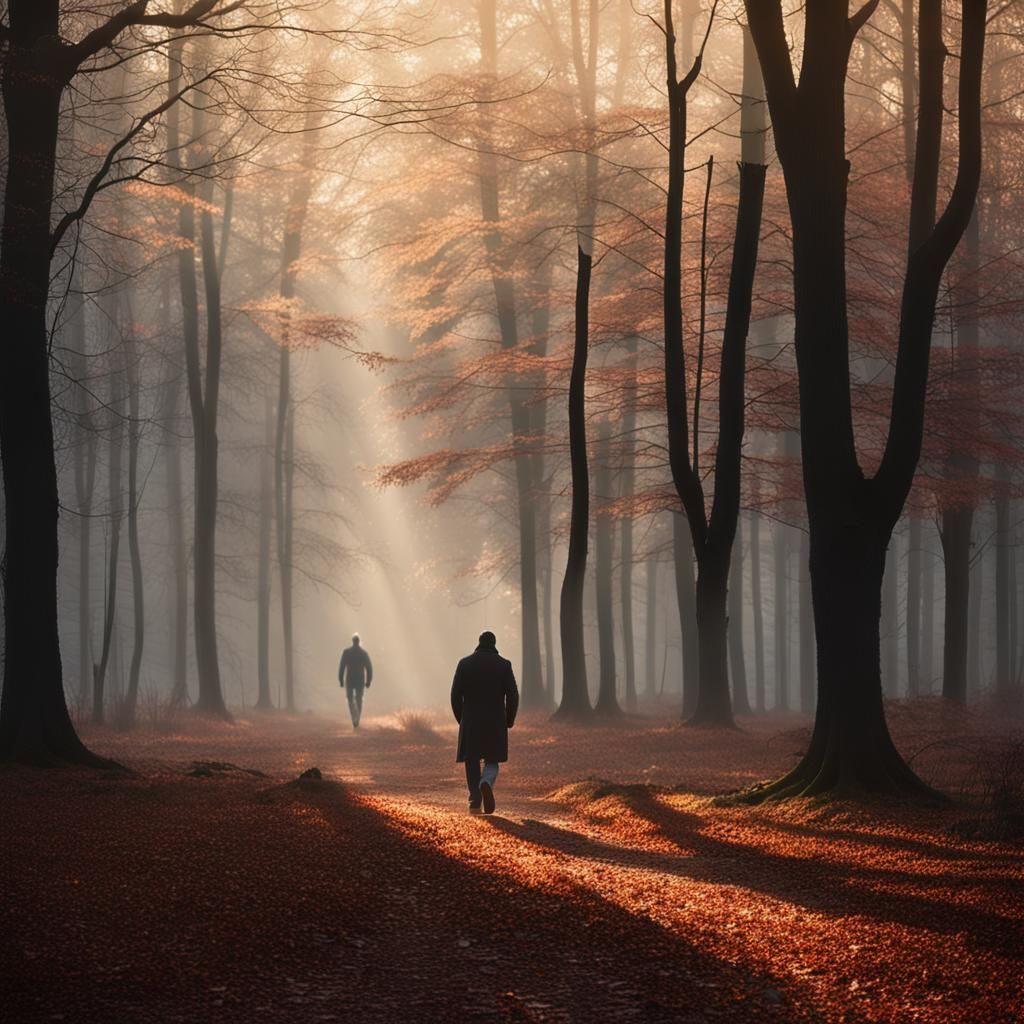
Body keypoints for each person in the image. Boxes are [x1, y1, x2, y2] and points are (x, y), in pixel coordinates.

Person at [450, 630, 519, 814]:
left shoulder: (464, 664)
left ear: (478, 643)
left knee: (471, 760)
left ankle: (475, 798)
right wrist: (509, 718)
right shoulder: (504, 665)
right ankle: (486, 782)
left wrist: (461, 718)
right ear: (494, 644)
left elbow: (455, 695)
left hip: (471, 719)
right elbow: (512, 695)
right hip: (495, 720)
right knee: (492, 759)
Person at [339, 633, 373, 729]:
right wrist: (368, 681)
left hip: (349, 679)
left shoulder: (346, 652)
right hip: (360, 680)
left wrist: (341, 679)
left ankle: (354, 716)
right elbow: (369, 668)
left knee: (350, 699)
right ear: (359, 641)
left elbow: (342, 667)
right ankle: (357, 718)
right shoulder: (363, 653)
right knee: (359, 699)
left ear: (353, 641)